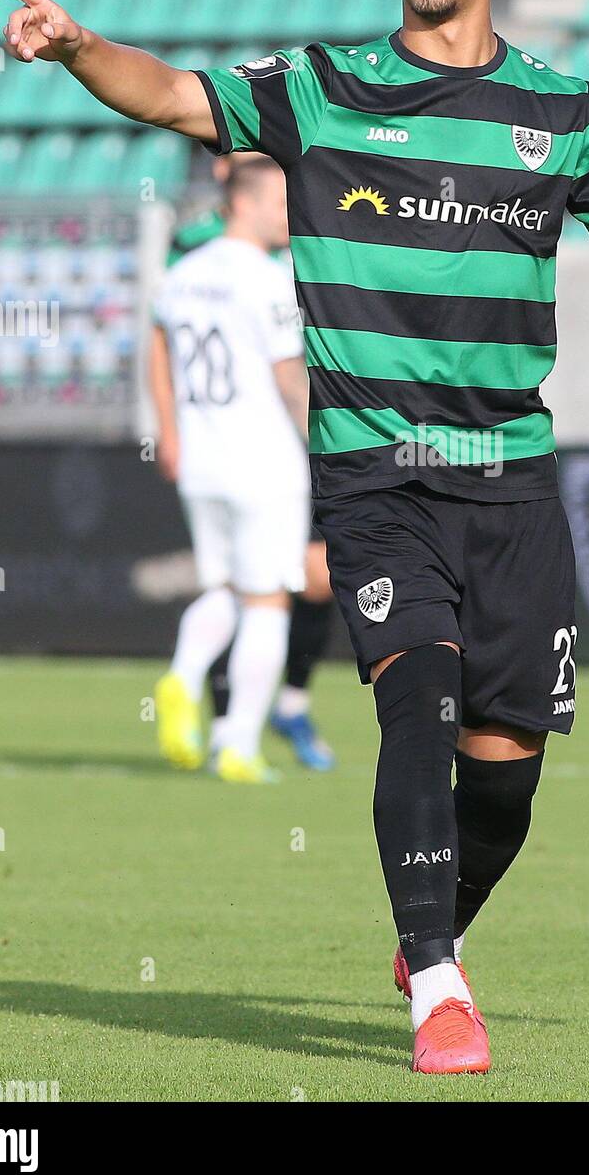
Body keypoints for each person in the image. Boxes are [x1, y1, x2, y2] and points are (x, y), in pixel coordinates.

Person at [0, 0, 589, 1075]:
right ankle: (436, 979)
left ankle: (431, 926)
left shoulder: (561, 113)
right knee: (417, 706)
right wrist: (76, 50)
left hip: (514, 479)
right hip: (376, 472)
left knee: (508, 765)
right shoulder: (323, 88)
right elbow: (169, 93)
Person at [167, 152, 336, 770]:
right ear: (244, 201)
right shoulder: (266, 277)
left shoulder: (185, 271)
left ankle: (183, 678)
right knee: (268, 603)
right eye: (280, 203)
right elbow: (290, 378)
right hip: (262, 459)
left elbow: (158, 347)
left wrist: (167, 430)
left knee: (226, 589)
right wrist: (325, 449)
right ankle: (237, 743)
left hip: (203, 459)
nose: (291, 217)